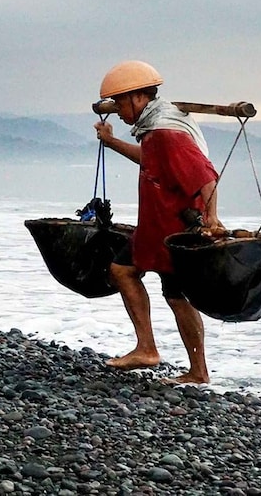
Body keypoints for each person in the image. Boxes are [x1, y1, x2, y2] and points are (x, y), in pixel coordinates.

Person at [93, 60, 223, 384]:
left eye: (121, 103)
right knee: (124, 271)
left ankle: (195, 370)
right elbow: (148, 159)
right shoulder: (154, 129)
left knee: (177, 297)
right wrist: (111, 143)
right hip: (154, 226)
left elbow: (205, 177)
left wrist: (212, 218)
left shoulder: (166, 132)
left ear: (139, 98)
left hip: (175, 230)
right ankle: (150, 349)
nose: (120, 112)